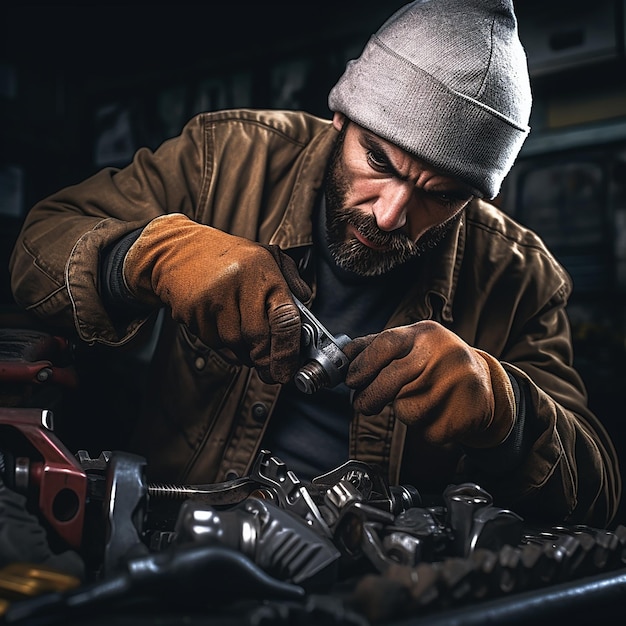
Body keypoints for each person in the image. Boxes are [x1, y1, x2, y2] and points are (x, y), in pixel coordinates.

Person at [8, 0, 621, 528]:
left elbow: (598, 495)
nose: (389, 216)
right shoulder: (224, 159)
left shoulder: (521, 280)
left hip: (372, 582)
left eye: (440, 195)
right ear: (341, 118)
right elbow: (39, 250)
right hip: (169, 535)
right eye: (378, 162)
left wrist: (504, 413)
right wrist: (151, 257)